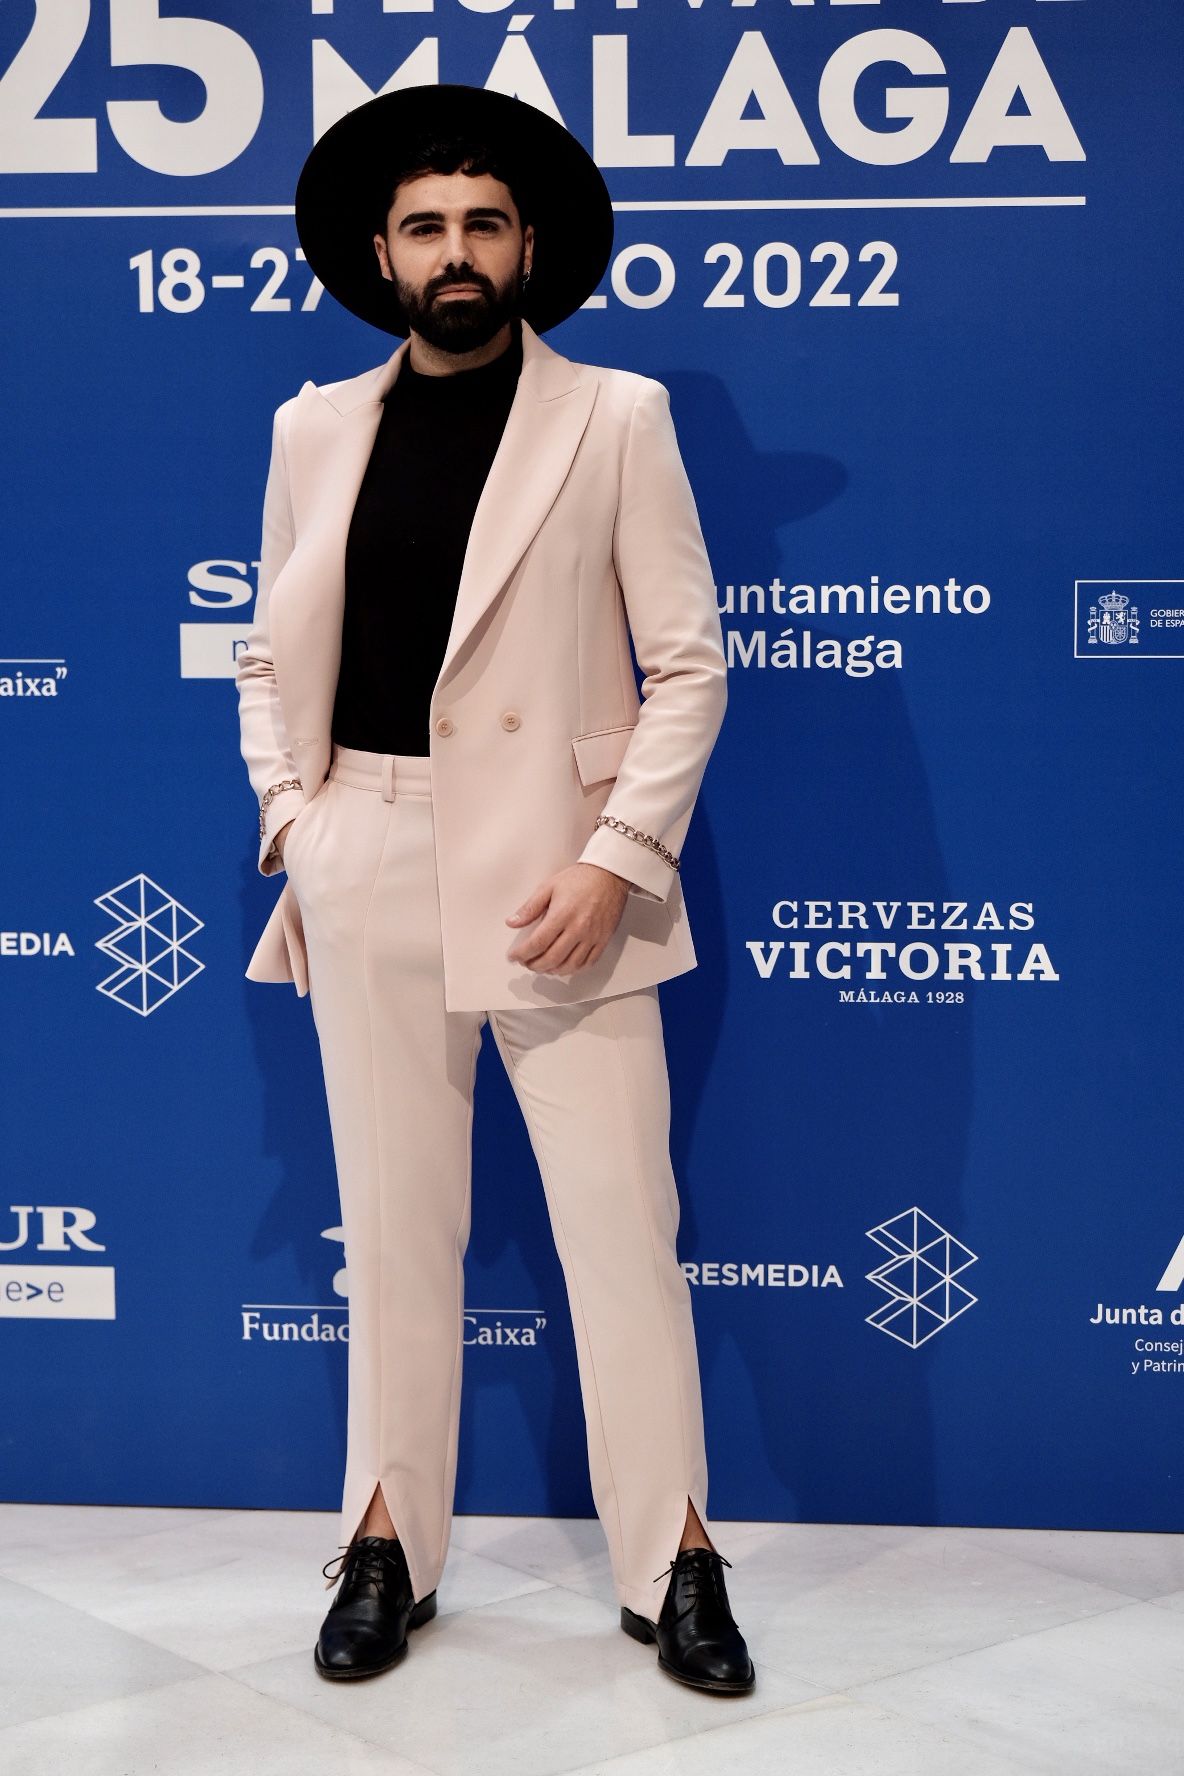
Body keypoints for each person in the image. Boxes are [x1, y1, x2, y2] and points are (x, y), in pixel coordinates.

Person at [236, 83, 752, 1694]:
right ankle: (386, 1541)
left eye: (482, 224)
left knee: (621, 1234)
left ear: (528, 246)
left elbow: (686, 667)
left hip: (561, 877)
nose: (455, 253)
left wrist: (619, 862)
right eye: (425, 229)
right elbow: (270, 649)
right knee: (392, 1232)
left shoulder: (618, 417)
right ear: (381, 257)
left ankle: (676, 1559)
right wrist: (296, 824)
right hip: (367, 851)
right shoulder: (314, 427)